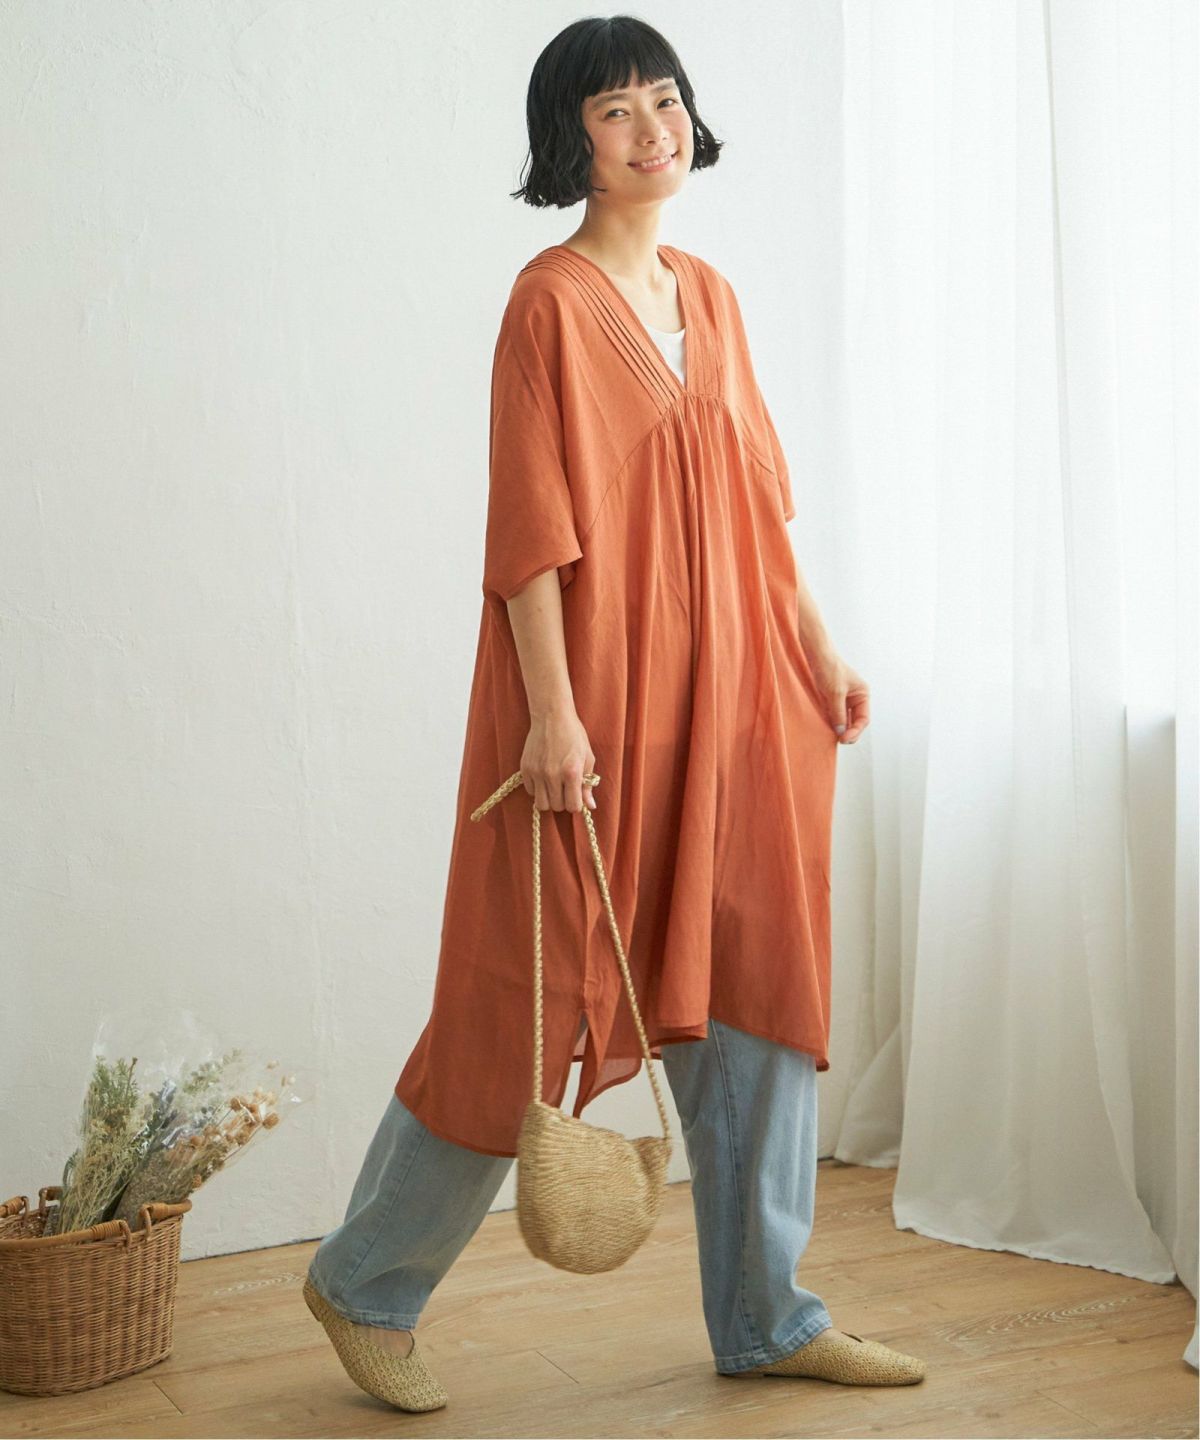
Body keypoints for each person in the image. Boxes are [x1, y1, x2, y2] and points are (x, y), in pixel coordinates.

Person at [303, 16, 921, 1413]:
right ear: (568, 141)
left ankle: (768, 1316)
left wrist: (819, 646)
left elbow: (760, 503)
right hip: (595, 712)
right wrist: (552, 718)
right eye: (615, 111)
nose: (654, 130)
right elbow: (529, 534)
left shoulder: (716, 296)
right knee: (523, 1003)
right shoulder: (549, 304)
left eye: (666, 100)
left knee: (758, 992)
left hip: (744, 704)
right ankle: (365, 1282)